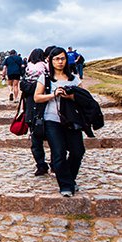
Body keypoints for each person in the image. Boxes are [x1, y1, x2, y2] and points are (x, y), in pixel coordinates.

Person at [33, 47, 84, 197]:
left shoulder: (74, 78)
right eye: (56, 59)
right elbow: (37, 97)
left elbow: (84, 98)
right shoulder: (45, 78)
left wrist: (71, 96)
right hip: (51, 120)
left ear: (66, 60)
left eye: (62, 58)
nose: (60, 62)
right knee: (58, 153)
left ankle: (70, 178)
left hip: (72, 120)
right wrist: (53, 94)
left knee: (77, 152)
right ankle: (66, 185)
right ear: (51, 61)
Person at [22, 48, 50, 176]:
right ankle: (49, 164)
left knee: (36, 140)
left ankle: (41, 164)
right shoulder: (46, 69)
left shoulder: (27, 72)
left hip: (31, 108)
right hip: (45, 107)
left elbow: (24, 87)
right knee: (48, 138)